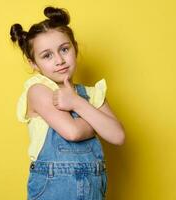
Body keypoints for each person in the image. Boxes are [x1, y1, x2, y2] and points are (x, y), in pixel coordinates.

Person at [10, 6, 125, 200]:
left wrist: (77, 102)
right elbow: (72, 132)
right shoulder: (38, 91)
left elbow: (118, 136)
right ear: (34, 64)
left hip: (92, 192)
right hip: (52, 191)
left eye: (64, 49)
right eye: (47, 55)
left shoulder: (91, 94)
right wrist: (98, 121)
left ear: (75, 48)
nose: (60, 60)